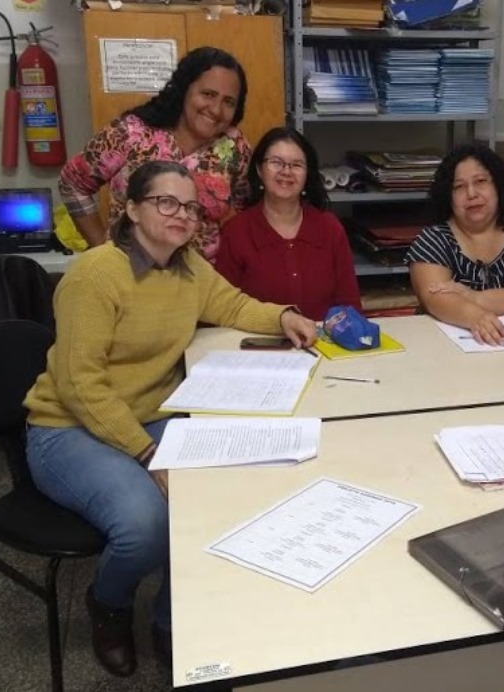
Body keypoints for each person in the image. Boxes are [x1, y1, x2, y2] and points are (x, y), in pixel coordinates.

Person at [24, 161, 318, 678]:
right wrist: (149, 453)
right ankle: (108, 604)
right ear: (132, 209)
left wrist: (283, 316)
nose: (181, 215)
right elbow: (80, 385)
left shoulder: (187, 267)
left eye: (189, 206)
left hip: (147, 416)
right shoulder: (97, 273)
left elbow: (232, 305)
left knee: (214, 497)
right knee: (147, 525)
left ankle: (172, 619)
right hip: (67, 426)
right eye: (166, 202)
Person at [59, 47, 252, 262]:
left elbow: (248, 208)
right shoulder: (131, 134)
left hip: (199, 283)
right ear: (184, 89)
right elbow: (72, 182)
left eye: (229, 102)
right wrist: (99, 246)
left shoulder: (235, 147)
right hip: (129, 276)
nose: (216, 109)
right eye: (208, 94)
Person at [406, 143, 504, 346]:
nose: (471, 193)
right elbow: (436, 298)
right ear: (448, 197)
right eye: (459, 187)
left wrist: (474, 297)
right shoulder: (433, 240)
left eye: (480, 181)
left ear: (498, 185)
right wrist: (474, 317)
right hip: (451, 350)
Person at [216, 127, 361, 321]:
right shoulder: (236, 231)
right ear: (259, 169)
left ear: (307, 174)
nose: (286, 171)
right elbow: (223, 308)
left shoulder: (329, 228)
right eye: (276, 162)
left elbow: (350, 306)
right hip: (258, 345)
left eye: (297, 165)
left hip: (323, 345)